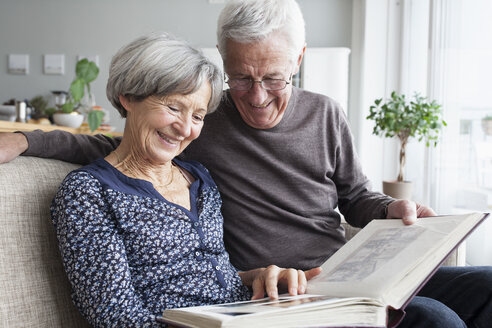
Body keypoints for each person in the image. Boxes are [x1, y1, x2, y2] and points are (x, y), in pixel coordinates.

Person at [0, 0, 490, 327]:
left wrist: (392, 212)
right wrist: (26, 137)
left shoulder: (321, 115)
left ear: (298, 58)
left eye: (273, 78)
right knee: (433, 319)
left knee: (484, 285)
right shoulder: (206, 117)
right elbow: (120, 147)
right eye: (240, 78)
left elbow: (357, 197)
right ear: (223, 62)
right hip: (284, 298)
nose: (256, 97)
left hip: (339, 269)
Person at [48, 33, 320, 327]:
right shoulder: (87, 193)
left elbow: (207, 276)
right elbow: (116, 316)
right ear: (127, 96)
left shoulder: (199, 179)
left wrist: (259, 278)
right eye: (174, 108)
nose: (184, 129)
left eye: (198, 116)